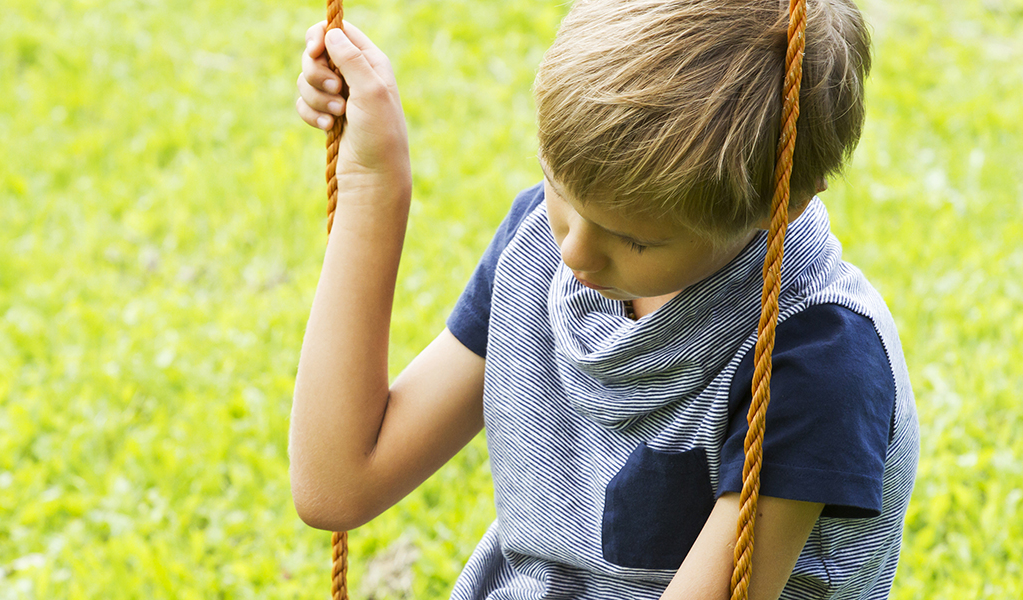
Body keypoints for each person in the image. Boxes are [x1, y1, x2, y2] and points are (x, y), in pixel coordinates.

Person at [289, 1, 918, 598]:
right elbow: (339, 483)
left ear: (779, 205)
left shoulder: (816, 355)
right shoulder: (539, 238)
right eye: (558, 188)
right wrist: (373, 184)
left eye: (635, 241)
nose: (574, 256)